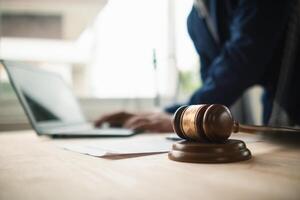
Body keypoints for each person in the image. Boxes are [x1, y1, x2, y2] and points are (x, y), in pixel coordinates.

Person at [95, 0, 291, 132]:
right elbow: (212, 85)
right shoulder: (195, 20)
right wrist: (166, 114)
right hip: (277, 101)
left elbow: (243, 60)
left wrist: (179, 117)